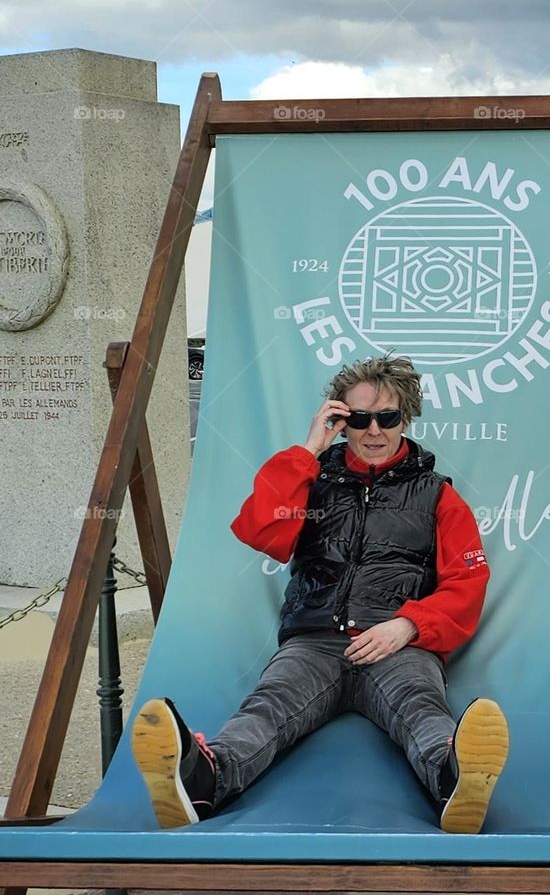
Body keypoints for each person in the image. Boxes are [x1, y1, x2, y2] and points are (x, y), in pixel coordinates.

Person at [131, 352, 509, 834]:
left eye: (387, 418)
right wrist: (309, 450)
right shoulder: (311, 480)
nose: (374, 431)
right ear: (340, 420)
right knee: (268, 706)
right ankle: (201, 780)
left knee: (421, 706)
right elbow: (261, 529)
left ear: (406, 417)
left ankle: (455, 780)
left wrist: (407, 625)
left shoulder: (439, 496)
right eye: (360, 419)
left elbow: (467, 581)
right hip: (314, 643)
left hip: (398, 646)